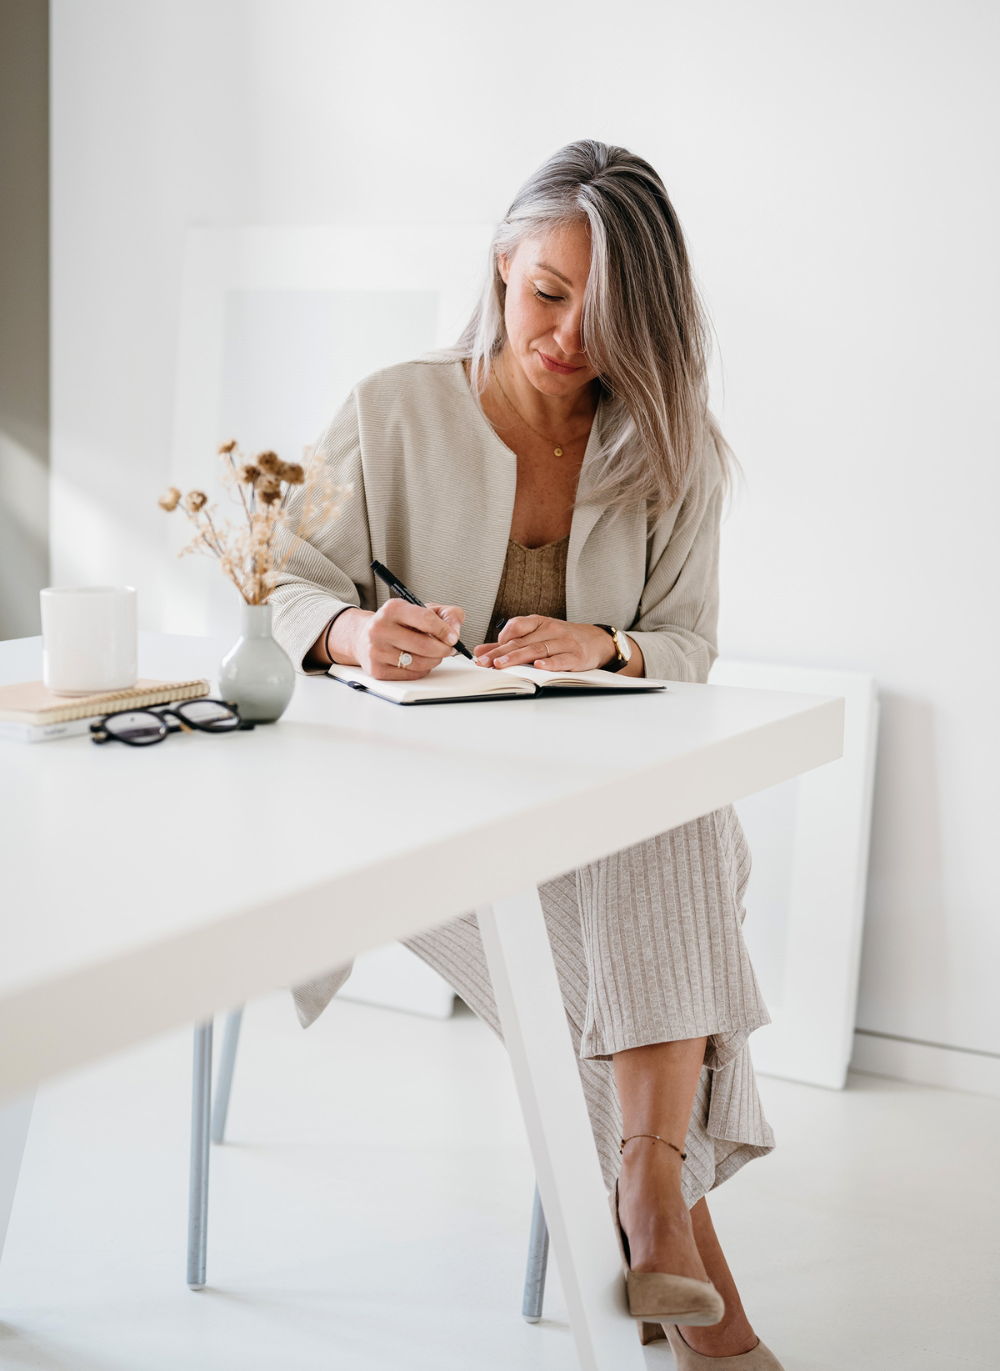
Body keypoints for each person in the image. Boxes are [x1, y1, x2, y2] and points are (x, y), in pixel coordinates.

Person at [270, 140, 782, 1367]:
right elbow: (282, 581)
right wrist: (349, 630)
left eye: (604, 317)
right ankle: (681, 1253)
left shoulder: (673, 449)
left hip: (586, 810)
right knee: (648, 901)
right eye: (548, 294)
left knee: (674, 811)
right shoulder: (392, 406)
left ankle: (646, 1195)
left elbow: (687, 646)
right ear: (501, 264)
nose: (567, 338)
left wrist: (606, 646)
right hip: (411, 811)